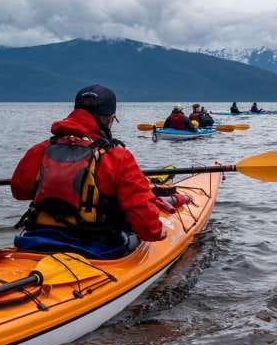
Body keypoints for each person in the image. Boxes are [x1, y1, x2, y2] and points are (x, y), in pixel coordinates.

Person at [10, 85, 192, 259]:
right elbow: (145, 223)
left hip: (36, 240)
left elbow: (19, 191)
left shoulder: (40, 149)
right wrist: (158, 231)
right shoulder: (117, 157)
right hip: (96, 248)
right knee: (137, 235)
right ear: (110, 119)